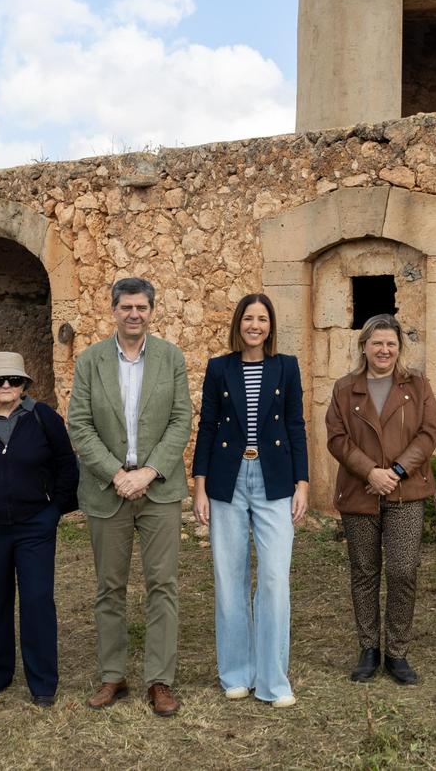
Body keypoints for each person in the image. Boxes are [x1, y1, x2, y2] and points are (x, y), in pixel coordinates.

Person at [66, 276, 193, 717]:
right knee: (109, 587)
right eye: (126, 307)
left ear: (152, 311)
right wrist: (117, 474)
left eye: (141, 307)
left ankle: (160, 680)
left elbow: (181, 420)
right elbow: (79, 424)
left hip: (158, 490)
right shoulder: (91, 361)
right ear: (114, 310)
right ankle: (112, 676)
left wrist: (149, 472)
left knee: (163, 586)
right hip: (108, 490)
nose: (134, 314)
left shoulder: (171, 358)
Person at [193, 293, 309, 708]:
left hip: (274, 479)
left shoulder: (287, 366)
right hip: (227, 478)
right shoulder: (218, 368)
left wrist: (302, 482)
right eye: (248, 318)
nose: (255, 325)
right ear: (238, 324)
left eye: (262, 319)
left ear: (271, 325)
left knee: (275, 580)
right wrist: (199, 486)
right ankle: (235, 673)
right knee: (229, 577)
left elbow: (296, 425)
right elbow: (207, 425)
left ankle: (273, 681)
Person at [0, 351, 79, 706]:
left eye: (13, 380)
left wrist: (54, 510)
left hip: (34, 527)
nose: (5, 386)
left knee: (37, 601)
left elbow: (67, 466)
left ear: (24, 385)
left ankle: (42, 683)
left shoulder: (44, 419)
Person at [324, 314, 436, 686]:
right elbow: (337, 437)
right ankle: (369, 648)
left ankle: (397, 651)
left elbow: (428, 432)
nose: (384, 350)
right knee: (364, 571)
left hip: (405, 490)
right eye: (377, 343)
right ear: (364, 347)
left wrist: (396, 471)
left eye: (391, 344)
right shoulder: (345, 388)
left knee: (403, 570)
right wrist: (371, 472)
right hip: (361, 491)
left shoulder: (417, 385)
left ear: (399, 349)